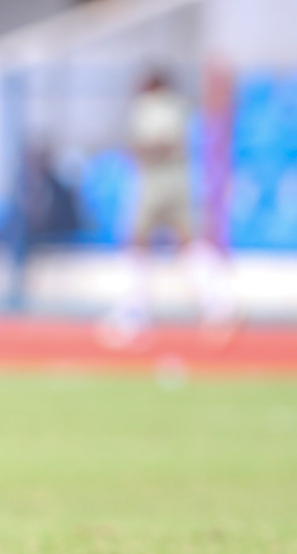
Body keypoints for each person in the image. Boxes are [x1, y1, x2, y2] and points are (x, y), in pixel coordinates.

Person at [99, 69, 236, 346]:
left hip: (154, 185)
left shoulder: (148, 107)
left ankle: (134, 313)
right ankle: (217, 306)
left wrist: (141, 150)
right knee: (189, 244)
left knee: (136, 244)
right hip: (182, 183)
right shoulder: (181, 107)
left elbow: (157, 143)